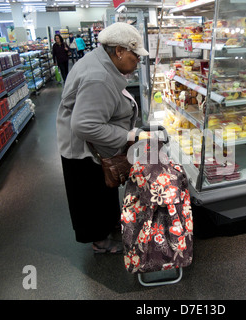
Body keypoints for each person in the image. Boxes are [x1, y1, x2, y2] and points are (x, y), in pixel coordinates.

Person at [56, 22, 149, 253]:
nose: (138, 61)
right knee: (90, 196)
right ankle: (100, 242)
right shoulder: (99, 76)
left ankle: (108, 226)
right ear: (119, 50)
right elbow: (85, 124)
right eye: (135, 55)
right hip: (83, 150)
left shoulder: (101, 61)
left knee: (103, 187)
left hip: (94, 147)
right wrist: (129, 135)